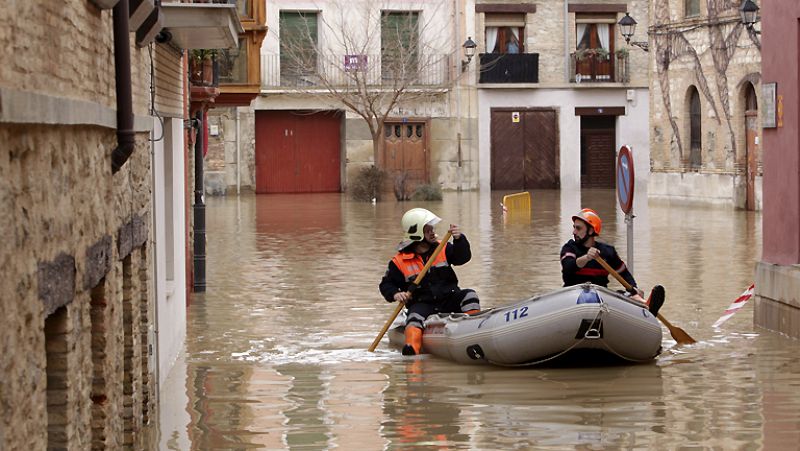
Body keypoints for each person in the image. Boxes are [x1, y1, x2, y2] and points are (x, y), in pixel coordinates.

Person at [379, 208, 480, 356]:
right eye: (428, 230)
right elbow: (386, 285)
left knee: (470, 295)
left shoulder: (443, 247)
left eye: (432, 229)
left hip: (449, 297)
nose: (433, 233)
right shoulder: (399, 261)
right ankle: (411, 350)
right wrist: (396, 294)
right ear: (417, 234)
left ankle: (474, 331)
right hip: (423, 304)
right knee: (414, 318)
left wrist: (459, 240)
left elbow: (462, 257)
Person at [560, 208, 664, 315]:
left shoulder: (607, 252)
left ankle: (645, 304)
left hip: (600, 296)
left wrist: (634, 289)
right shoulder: (569, 248)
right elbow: (568, 267)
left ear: (591, 231)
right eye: (574, 228)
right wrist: (586, 257)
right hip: (573, 295)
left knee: (628, 295)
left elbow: (623, 273)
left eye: (578, 228)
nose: (574, 232)